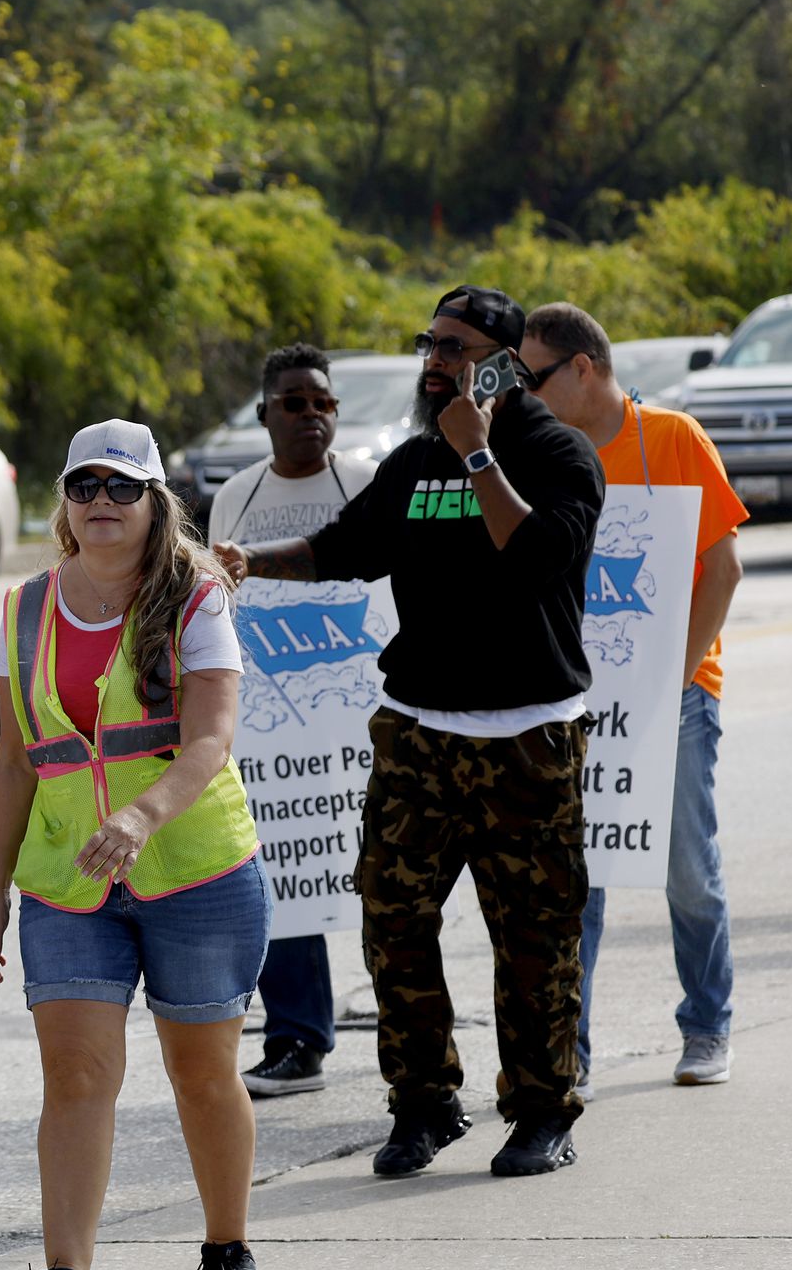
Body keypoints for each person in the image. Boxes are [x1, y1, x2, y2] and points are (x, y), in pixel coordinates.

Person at [214, 285, 605, 1180]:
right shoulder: (413, 461)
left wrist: (477, 457)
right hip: (419, 737)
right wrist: (253, 562)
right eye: (429, 343)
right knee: (394, 924)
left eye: (457, 348)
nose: (435, 361)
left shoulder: (559, 455)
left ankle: (543, 1111)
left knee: (535, 938)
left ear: (505, 363)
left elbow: (542, 554)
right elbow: (345, 545)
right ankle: (424, 1105)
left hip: (528, 742)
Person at [0, 420, 269, 1270]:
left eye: (123, 487)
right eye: (84, 486)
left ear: (154, 503)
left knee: (201, 1074)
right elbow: (16, 758)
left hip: (193, 870)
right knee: (74, 1076)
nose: (102, 502)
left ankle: (228, 1251)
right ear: (65, 503)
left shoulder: (196, 600)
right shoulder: (24, 609)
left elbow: (211, 739)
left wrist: (141, 818)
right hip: (69, 879)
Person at [521, 302, 747, 1089]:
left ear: (583, 368)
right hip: (575, 705)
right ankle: (568, 1053)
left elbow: (723, 570)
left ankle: (708, 1026)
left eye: (535, 375)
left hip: (676, 696)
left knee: (687, 868)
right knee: (577, 881)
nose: (525, 391)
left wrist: (674, 680)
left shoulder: (673, 440)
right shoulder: (537, 455)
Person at [207, 344, 377, 1099]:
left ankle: (412, 1043)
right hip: (273, 733)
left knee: (383, 882)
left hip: (365, 723)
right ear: (263, 413)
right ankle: (297, 1040)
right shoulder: (235, 500)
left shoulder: (369, 485)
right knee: (285, 876)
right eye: (295, 403)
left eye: (324, 404)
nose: (313, 417)